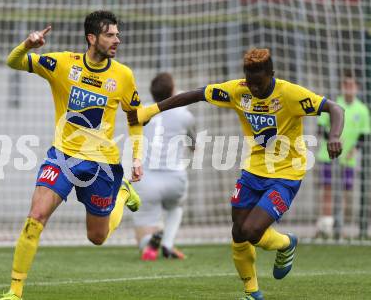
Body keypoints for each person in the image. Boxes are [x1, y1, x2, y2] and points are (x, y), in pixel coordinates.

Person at [128, 48, 344, 299]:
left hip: (286, 175)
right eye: (249, 82)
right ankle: (252, 293)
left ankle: (286, 243)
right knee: (238, 232)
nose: (253, 89)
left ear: (271, 74)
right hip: (252, 172)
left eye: (259, 83)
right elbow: (197, 94)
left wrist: (335, 136)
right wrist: (152, 110)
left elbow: (335, 109)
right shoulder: (238, 90)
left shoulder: (290, 93)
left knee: (253, 231)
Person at [0, 10, 143, 300]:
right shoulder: (63, 64)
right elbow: (12, 62)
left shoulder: (124, 76)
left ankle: (123, 194)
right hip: (62, 157)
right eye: (110, 35)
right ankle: (15, 291)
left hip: (102, 164)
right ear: (92, 38)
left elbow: (134, 118)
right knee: (36, 217)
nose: (118, 39)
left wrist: (137, 156)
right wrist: (28, 45)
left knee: (97, 237)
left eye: (117, 34)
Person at [132, 73, 196, 260]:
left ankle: (150, 241)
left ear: (153, 95)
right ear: (173, 91)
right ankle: (167, 243)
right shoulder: (185, 115)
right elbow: (193, 145)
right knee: (175, 207)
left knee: (143, 229)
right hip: (174, 178)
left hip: (147, 179)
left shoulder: (142, 112)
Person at [315, 70, 370, 238]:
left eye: (351, 85)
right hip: (328, 156)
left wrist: (353, 151)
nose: (348, 88)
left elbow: (364, 135)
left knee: (345, 191)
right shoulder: (333, 105)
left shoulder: (362, 110)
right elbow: (320, 127)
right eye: (345, 84)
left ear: (357, 88)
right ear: (341, 87)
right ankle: (325, 225)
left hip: (348, 159)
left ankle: (339, 225)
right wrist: (334, 141)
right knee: (328, 189)